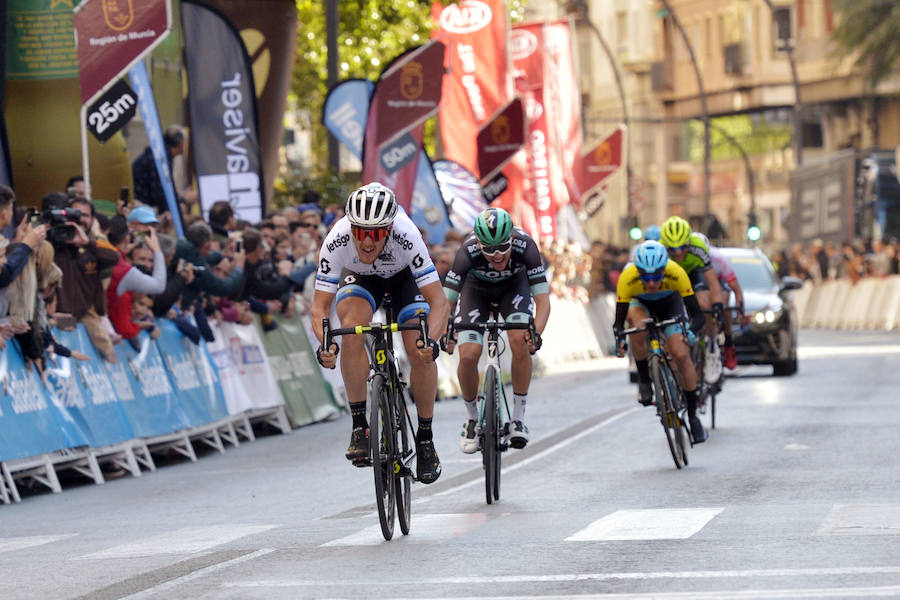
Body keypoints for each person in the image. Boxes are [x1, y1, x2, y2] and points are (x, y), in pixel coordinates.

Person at [311, 182, 450, 484]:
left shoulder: (407, 236)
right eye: (360, 232)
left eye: (376, 233)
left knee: (419, 351)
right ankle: (360, 425)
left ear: (389, 228)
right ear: (351, 228)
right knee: (351, 328)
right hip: (362, 280)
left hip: (404, 280)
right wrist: (325, 344)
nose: (368, 242)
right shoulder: (336, 240)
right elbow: (320, 307)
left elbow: (438, 301)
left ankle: (425, 439)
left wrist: (433, 342)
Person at [442, 207, 550, 452]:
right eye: (489, 249)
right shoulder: (466, 252)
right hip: (476, 292)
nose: (498, 255)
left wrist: (536, 334)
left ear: (512, 238)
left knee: (519, 340)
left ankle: (519, 418)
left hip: (514, 288)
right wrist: (445, 331)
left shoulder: (527, 247)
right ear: (479, 243)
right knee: (468, 354)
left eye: (503, 246)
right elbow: (445, 302)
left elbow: (543, 301)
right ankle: (471, 419)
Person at [612, 240, 708, 444]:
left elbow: (697, 316)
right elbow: (619, 322)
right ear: (638, 272)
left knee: (680, 354)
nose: (652, 283)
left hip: (669, 304)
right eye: (646, 278)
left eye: (657, 276)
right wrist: (619, 338)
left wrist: (690, 331)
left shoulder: (677, 273)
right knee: (637, 327)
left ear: (665, 269)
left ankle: (692, 415)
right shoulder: (627, 278)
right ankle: (645, 380)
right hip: (641, 304)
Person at [659, 216, 725, 338]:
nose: (678, 252)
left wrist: (717, 304)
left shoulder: (698, 247)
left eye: (683, 247)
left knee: (704, 304)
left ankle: (711, 341)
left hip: (694, 272)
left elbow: (713, 282)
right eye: (673, 249)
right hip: (673, 276)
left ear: (689, 241)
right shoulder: (660, 250)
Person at [693, 232, 744, 370]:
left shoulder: (719, 259)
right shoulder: (686, 258)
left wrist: (740, 309)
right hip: (697, 282)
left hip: (718, 281)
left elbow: (736, 289)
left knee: (723, 299)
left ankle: (728, 343)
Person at [131, 125, 198, 217]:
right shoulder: (160, 162)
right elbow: (160, 197)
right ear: (181, 144)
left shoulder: (157, 156)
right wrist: (183, 200)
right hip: (141, 209)